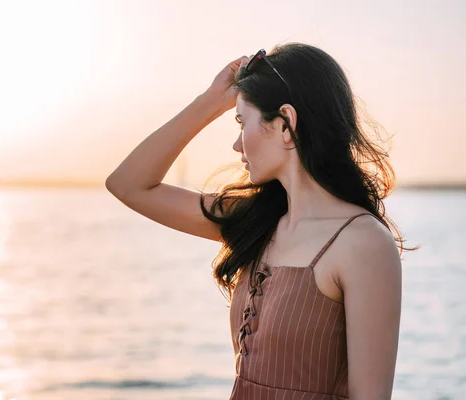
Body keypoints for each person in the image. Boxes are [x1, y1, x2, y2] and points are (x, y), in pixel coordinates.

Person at [105, 42, 406, 400]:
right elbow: (128, 184)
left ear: (285, 125)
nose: (236, 145)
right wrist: (211, 100)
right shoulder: (256, 222)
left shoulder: (362, 243)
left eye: (241, 122)